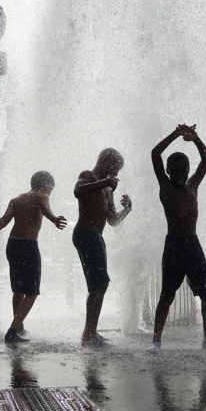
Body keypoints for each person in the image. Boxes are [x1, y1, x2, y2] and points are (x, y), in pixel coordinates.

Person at [0, 171, 67, 343]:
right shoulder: (41, 195)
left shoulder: (16, 199)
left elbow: (3, 220)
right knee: (32, 292)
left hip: (13, 245)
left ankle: (19, 326)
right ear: (46, 185)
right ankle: (12, 331)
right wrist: (54, 219)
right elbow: (46, 210)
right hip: (28, 245)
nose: (50, 192)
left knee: (18, 291)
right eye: (51, 189)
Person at [149, 124, 206, 353]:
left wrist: (195, 138)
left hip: (192, 244)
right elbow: (155, 153)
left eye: (182, 170)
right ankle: (156, 341)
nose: (179, 174)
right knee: (167, 294)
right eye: (174, 170)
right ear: (167, 171)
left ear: (188, 171)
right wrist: (175, 134)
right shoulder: (165, 187)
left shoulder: (193, 186)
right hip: (174, 245)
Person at [73, 148, 132, 347]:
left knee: (99, 284)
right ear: (105, 162)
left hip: (96, 236)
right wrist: (105, 182)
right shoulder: (87, 176)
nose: (115, 175)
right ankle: (89, 335)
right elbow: (78, 191)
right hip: (86, 234)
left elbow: (113, 221)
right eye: (114, 169)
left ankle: (91, 333)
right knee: (100, 283)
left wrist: (127, 210)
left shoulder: (107, 190)